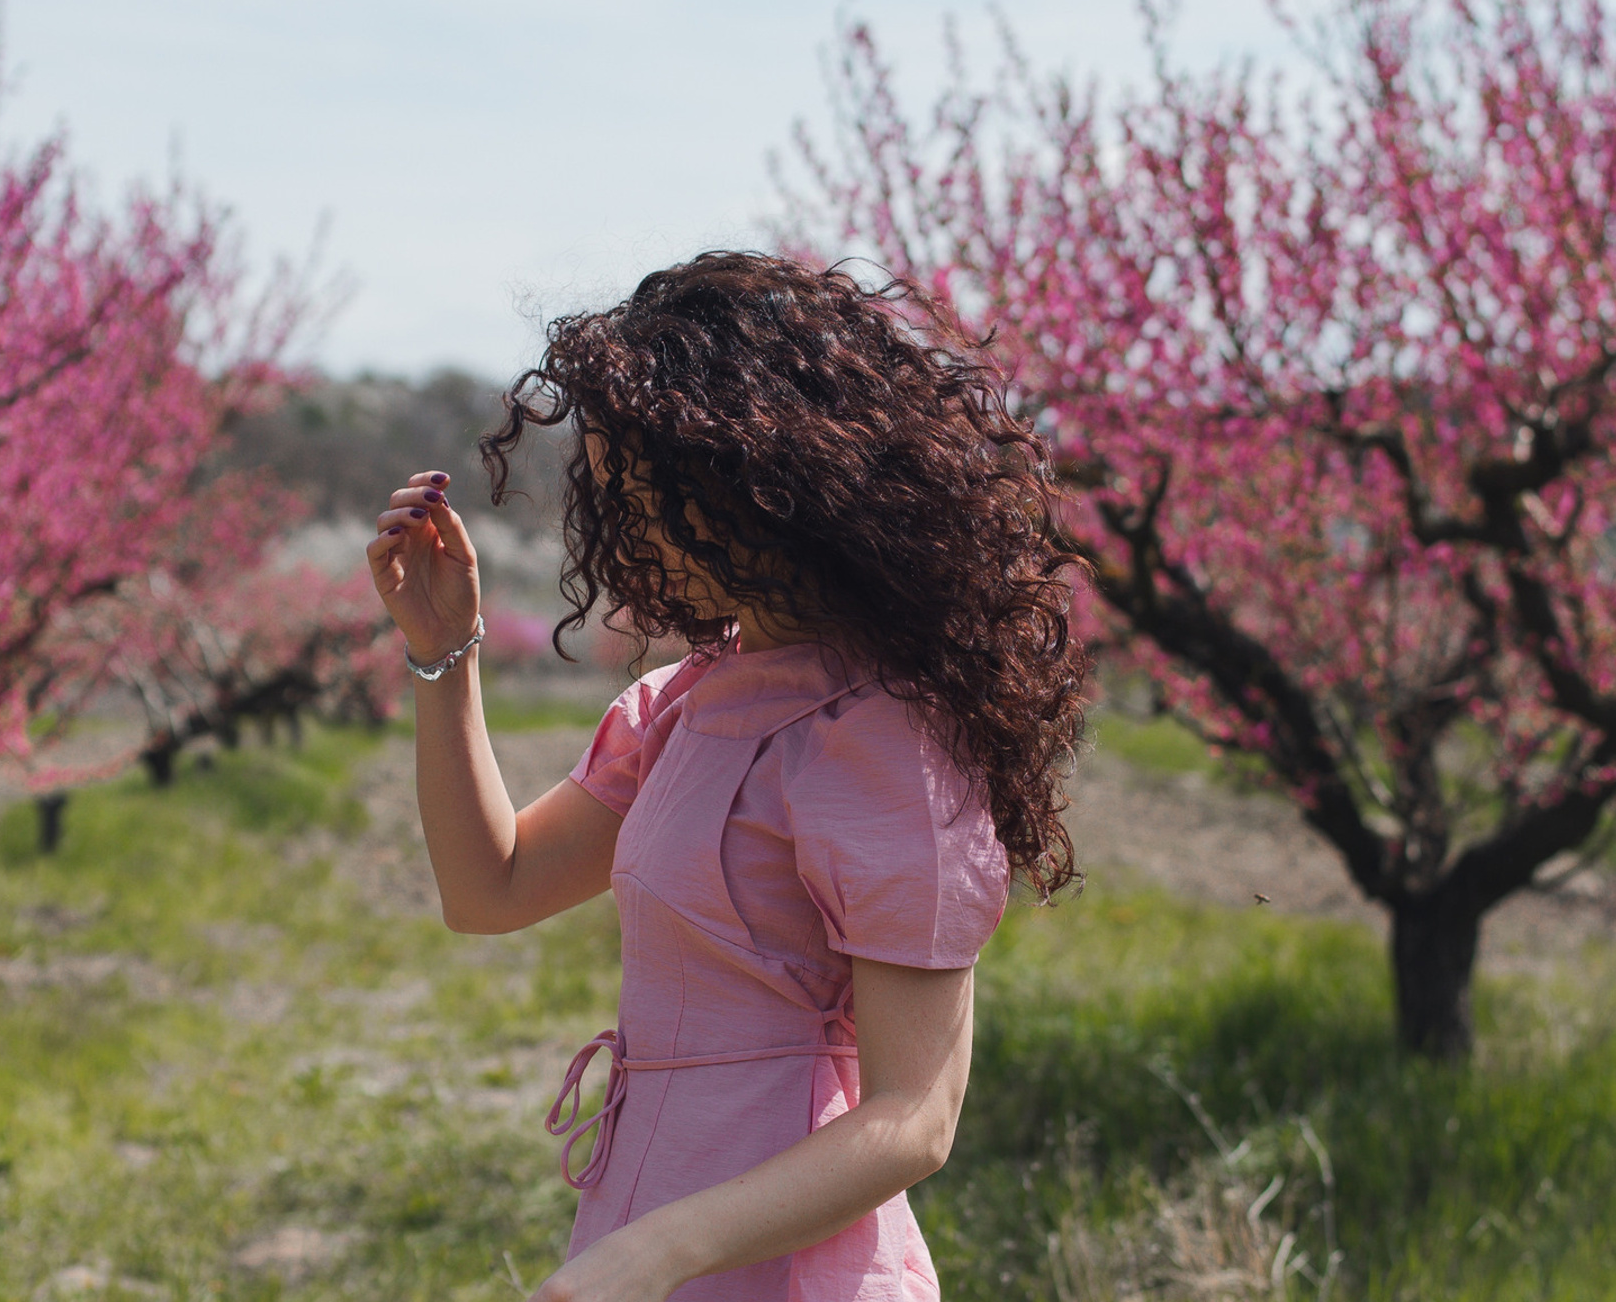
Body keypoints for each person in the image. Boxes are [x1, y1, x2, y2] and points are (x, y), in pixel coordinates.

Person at [366, 252, 1086, 1302]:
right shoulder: (687, 705)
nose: (620, 521)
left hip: (778, 1258)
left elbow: (915, 1118)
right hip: (645, 1218)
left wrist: (653, 1252)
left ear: (756, 479)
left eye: (642, 485)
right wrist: (446, 651)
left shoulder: (888, 740)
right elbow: (493, 889)